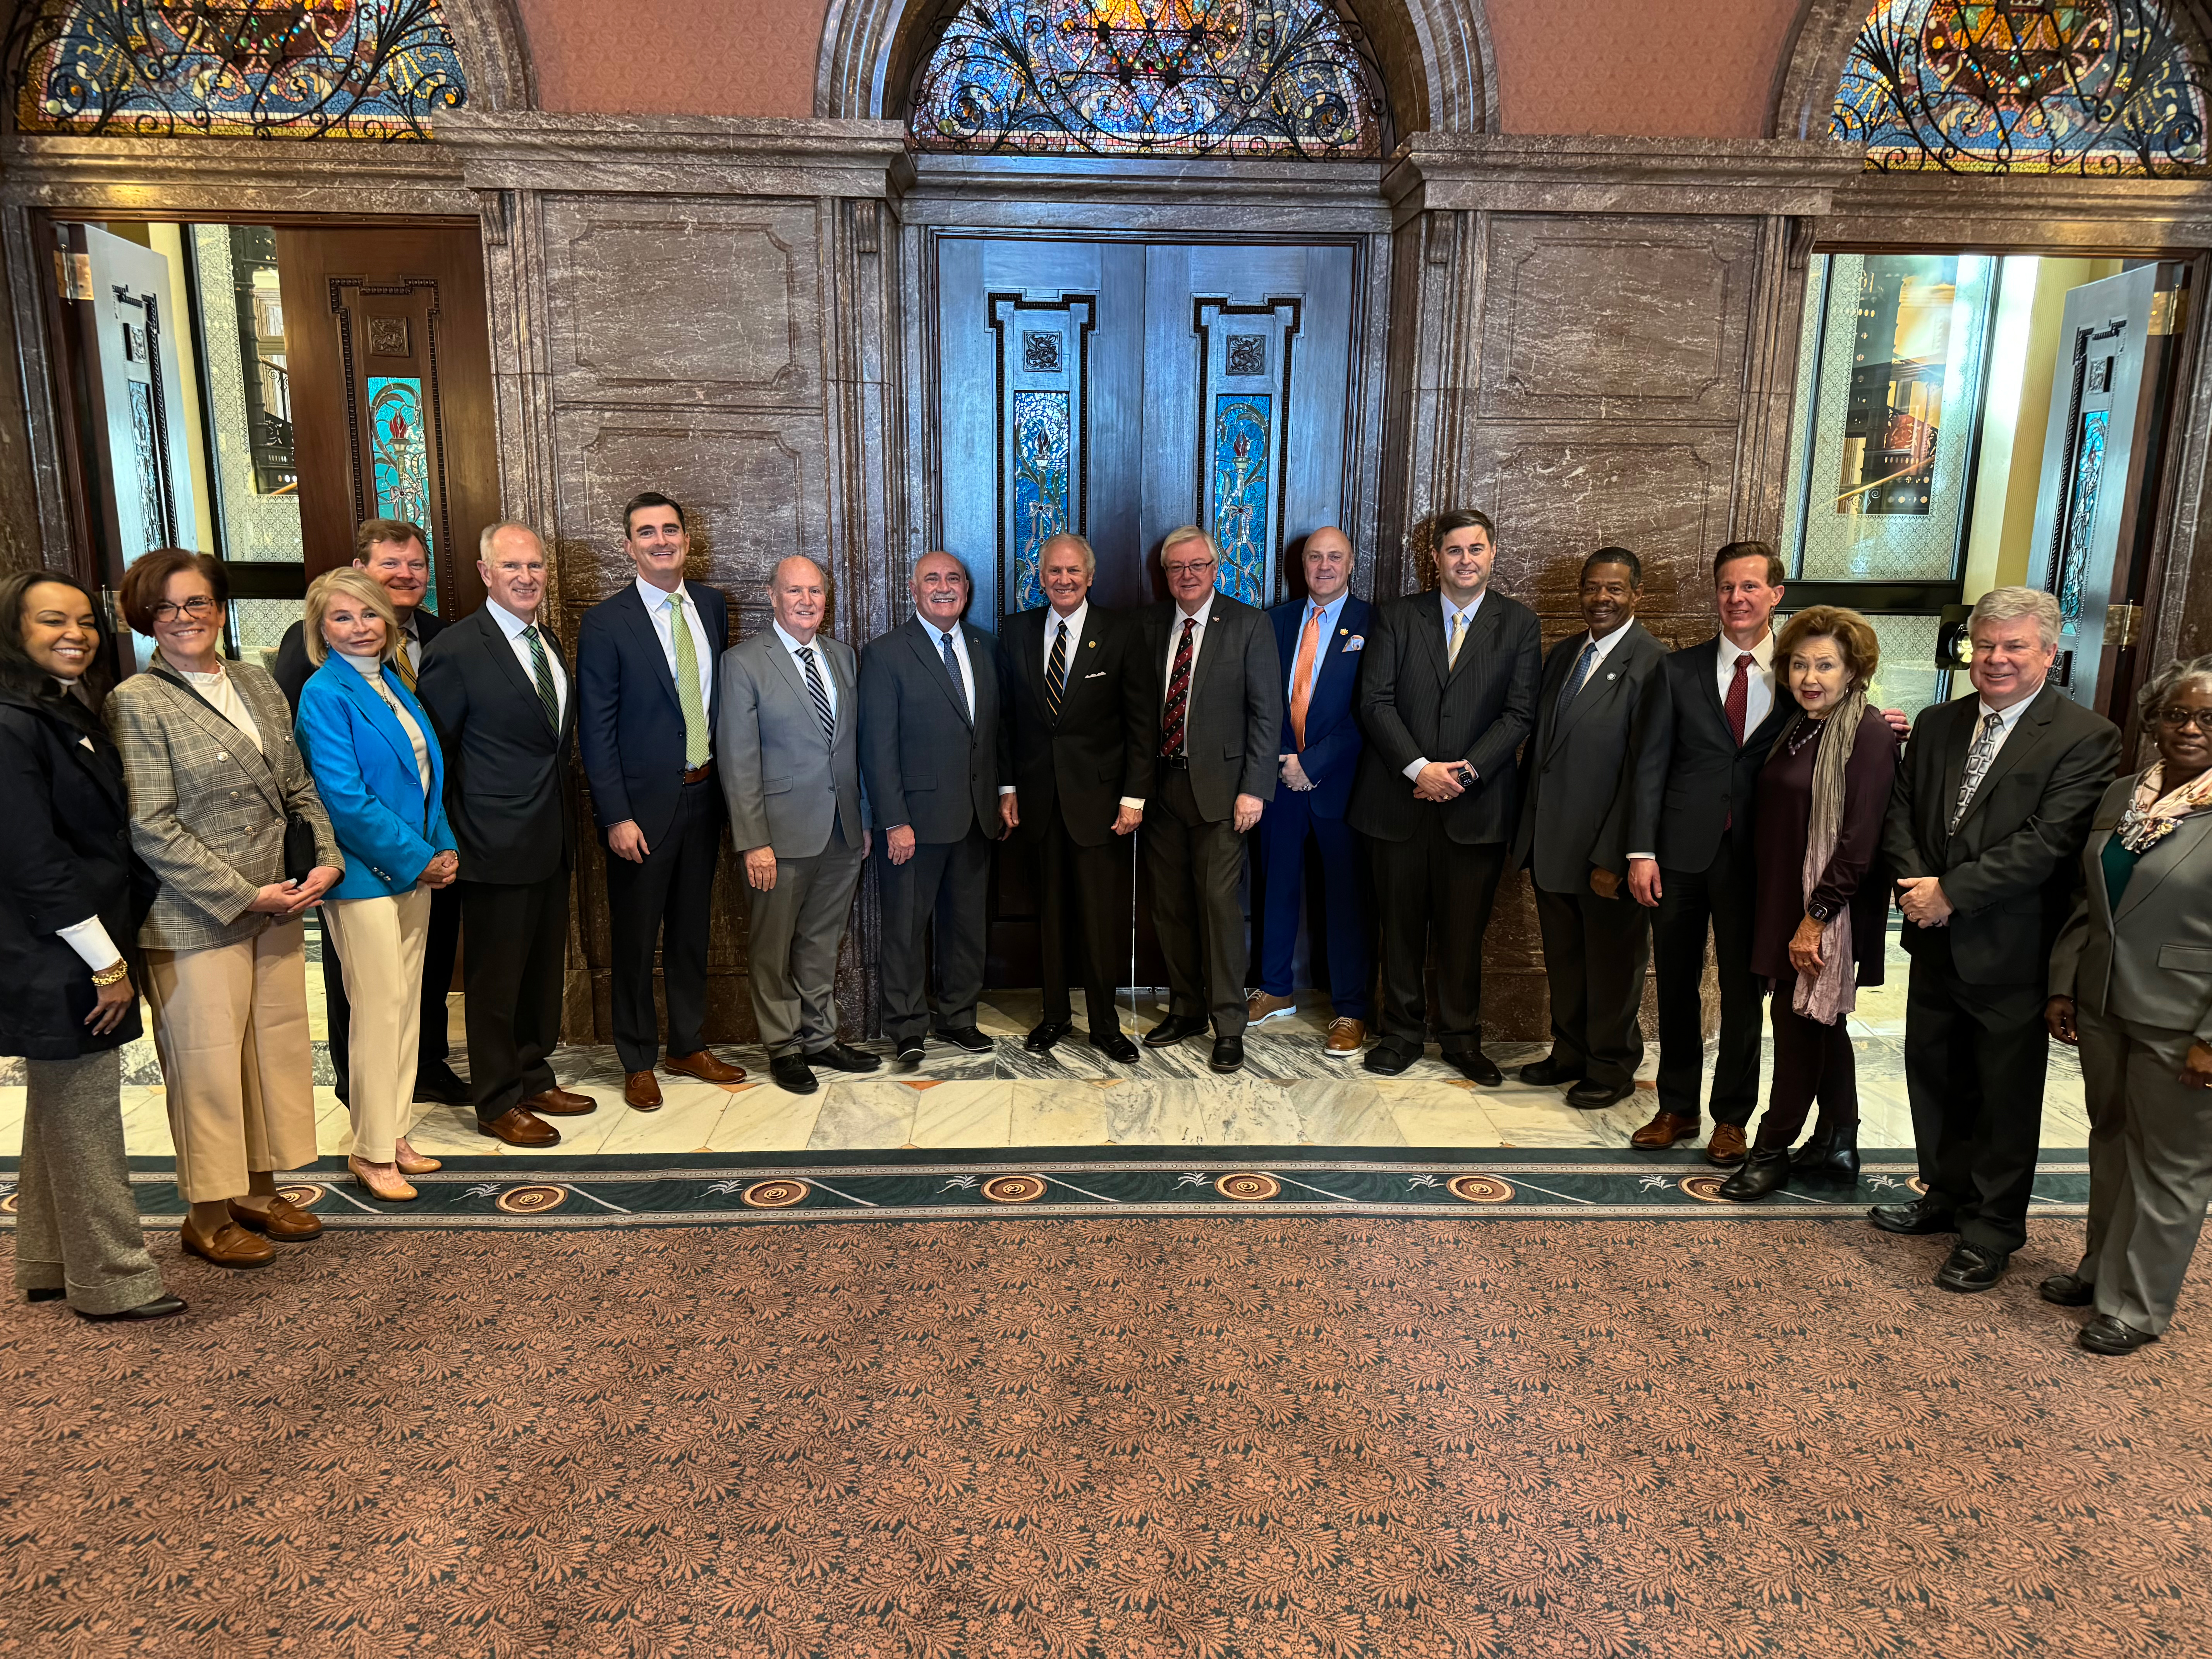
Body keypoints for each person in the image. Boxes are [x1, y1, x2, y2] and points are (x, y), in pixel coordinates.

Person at [1873, 586, 2121, 1291]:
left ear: (2049, 652)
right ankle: (1946, 1199)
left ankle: (1992, 1231)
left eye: (2015, 646)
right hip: (1934, 939)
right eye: (1986, 645)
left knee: (2004, 1095)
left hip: (2012, 948)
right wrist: (1918, 885)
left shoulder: (2085, 736)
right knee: (1936, 1075)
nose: (1997, 659)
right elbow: (1903, 813)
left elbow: (2049, 843)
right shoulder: (1939, 722)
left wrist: (1952, 893)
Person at [106, 548, 343, 1267]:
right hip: (196, 914)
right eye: (168, 609)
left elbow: (298, 785)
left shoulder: (255, 681)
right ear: (146, 618)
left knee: (269, 1054)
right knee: (207, 1065)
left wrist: (325, 858)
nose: (185, 620)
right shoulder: (136, 701)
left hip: (279, 901)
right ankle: (206, 1212)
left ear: (220, 607)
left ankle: (260, 1190)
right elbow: (151, 825)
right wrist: (243, 894)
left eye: (198, 604)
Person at [0, 572, 180, 1320]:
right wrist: (106, 962)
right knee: (85, 1110)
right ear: (15, 631)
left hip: (80, 937)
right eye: (52, 621)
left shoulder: (58, 709)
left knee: (58, 1100)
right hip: (59, 947)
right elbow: (31, 859)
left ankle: (46, 1261)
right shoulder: (9, 722)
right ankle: (114, 1279)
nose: (74, 634)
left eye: (84, 621)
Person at [2045, 655, 2212, 1355]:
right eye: (2177, 713)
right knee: (2110, 1139)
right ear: (2152, 720)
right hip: (2105, 999)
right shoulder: (2122, 796)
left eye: (2209, 717)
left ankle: (2138, 1306)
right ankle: (2099, 1270)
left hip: (2185, 1016)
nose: (2191, 728)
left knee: (2171, 1164)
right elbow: (2090, 901)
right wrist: (2064, 983)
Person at [273, 519, 465, 1113]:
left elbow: (432, 760)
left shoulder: (415, 653)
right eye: (390, 564)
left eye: (415, 564)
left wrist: (442, 845)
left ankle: (412, 1089)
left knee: (411, 994)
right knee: (367, 997)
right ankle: (365, 1107)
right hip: (359, 867)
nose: (405, 575)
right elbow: (332, 789)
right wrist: (417, 855)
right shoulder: (320, 678)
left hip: (424, 854)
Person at [416, 523, 594, 1147]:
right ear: (485, 572)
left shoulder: (547, 640)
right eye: (512, 566)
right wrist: (447, 839)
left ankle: (531, 1073)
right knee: (495, 982)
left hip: (550, 836)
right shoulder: (458, 649)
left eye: (536, 566)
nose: (527, 577)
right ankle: (495, 1101)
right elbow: (436, 756)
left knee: (540, 971)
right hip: (489, 842)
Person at [1349, 508, 1541, 1082]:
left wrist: (1464, 773)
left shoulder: (1519, 624)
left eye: (1475, 549)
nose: (1465, 560)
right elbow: (1375, 701)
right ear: (1435, 559)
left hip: (1475, 808)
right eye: (1454, 551)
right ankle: (1401, 1034)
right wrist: (1417, 769)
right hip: (1397, 803)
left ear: (1493, 553)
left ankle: (1461, 1038)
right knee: (1400, 928)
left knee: (1463, 932)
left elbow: (1519, 713)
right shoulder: (1398, 617)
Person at [1625, 543, 1796, 1164]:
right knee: (1674, 982)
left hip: (1759, 858)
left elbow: (1840, 732)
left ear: (1776, 594)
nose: (1737, 598)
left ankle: (1731, 1118)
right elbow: (1649, 767)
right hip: (1678, 853)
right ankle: (1675, 1108)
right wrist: (1641, 851)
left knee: (1745, 989)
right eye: (1727, 588)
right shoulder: (1677, 670)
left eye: (1751, 587)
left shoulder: (1803, 674)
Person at [1719, 607, 1898, 1202]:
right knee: (1825, 1026)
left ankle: (1771, 1151)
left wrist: (1815, 919)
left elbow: (1860, 839)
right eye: (1799, 664)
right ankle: (1838, 1141)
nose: (1810, 676)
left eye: (1826, 665)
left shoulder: (1867, 734)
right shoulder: (1797, 724)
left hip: (1824, 910)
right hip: (1778, 897)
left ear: (1854, 671)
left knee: (1797, 1029)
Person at [576, 492, 745, 1111]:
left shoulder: (710, 605)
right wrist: (616, 815)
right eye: (646, 533)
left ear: (686, 539)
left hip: (705, 797)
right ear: (629, 547)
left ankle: (687, 1044)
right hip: (640, 813)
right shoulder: (605, 621)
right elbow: (596, 729)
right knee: (636, 937)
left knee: (692, 933)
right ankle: (637, 1057)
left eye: (670, 530)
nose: (661, 541)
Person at [1510, 547, 1668, 1109]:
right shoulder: (1565, 655)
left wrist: (1617, 855)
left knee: (1613, 966)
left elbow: (1644, 771)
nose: (1601, 599)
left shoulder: (1654, 664)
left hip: (1607, 853)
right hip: (1552, 844)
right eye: (1592, 588)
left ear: (1637, 595)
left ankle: (1612, 1064)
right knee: (1567, 961)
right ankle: (1570, 1051)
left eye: (1615, 589)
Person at [717, 555, 876, 1095]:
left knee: (822, 940)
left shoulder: (843, 658)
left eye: (815, 592)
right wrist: (753, 840)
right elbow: (737, 761)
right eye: (795, 591)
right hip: (777, 836)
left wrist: (866, 821)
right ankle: (783, 1047)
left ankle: (820, 1038)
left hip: (842, 831)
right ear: (772, 596)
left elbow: (856, 749)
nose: (807, 601)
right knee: (772, 945)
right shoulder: (743, 664)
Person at [1132, 527, 1282, 1074]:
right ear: (1165, 574)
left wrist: (1255, 788)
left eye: (1198, 565)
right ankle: (1187, 1009)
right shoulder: (1149, 626)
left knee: (1219, 908)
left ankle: (1228, 1023)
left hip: (1224, 795)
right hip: (1163, 790)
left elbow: (1268, 715)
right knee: (1169, 906)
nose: (1188, 576)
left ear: (1216, 569)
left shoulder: (1248, 624)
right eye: (1177, 568)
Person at [998, 532, 1148, 1061]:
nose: (1063, 580)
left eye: (1073, 572)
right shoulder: (1015, 631)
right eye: (1053, 571)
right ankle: (1055, 1016)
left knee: (1099, 918)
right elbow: (1007, 721)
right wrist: (1008, 787)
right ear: (1041, 577)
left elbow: (1140, 723)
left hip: (1102, 804)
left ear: (1090, 577)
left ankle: (1107, 1025)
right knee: (1051, 916)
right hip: (1038, 802)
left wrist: (1135, 797)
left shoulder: (1121, 631)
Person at [859, 551, 1010, 1063]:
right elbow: (877, 748)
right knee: (905, 928)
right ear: (913, 588)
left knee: (968, 925)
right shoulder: (886, 654)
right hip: (914, 824)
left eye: (953, 579)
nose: (944, 587)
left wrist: (1004, 792)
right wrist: (894, 820)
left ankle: (960, 1017)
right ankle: (906, 1027)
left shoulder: (986, 647)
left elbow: (995, 734)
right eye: (933, 579)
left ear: (966, 589)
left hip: (976, 817)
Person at [1251, 527, 1375, 1058]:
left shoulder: (1375, 624)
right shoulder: (1274, 622)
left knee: (1347, 900)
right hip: (1280, 781)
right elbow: (1257, 700)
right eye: (1314, 558)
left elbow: (1374, 709)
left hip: (1341, 784)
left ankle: (1351, 1010)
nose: (1324, 566)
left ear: (1351, 564)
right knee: (1275, 887)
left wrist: (1314, 763)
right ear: (1300, 565)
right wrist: (1283, 763)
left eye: (1334, 558)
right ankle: (1275, 989)